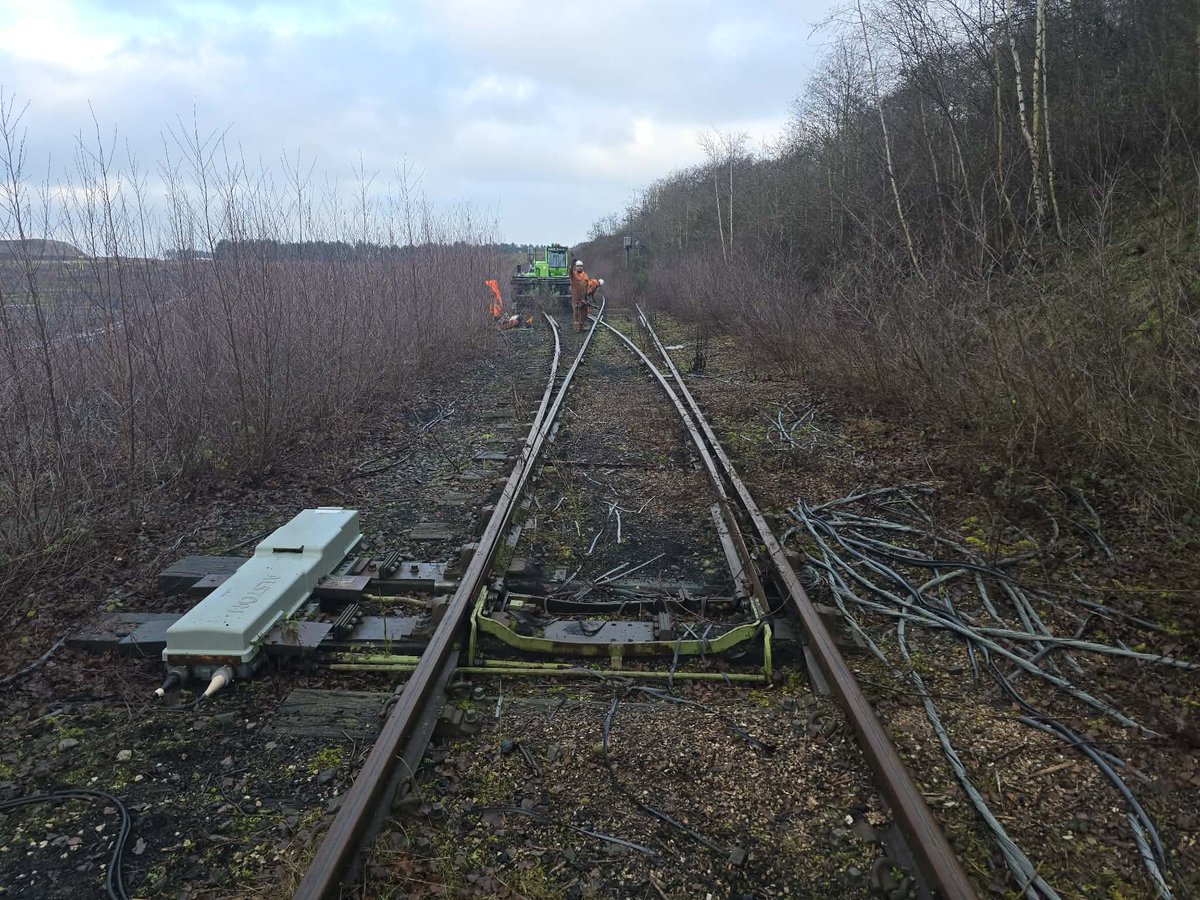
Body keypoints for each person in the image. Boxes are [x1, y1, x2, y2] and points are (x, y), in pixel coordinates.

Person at [569, 260, 592, 332]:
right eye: (578, 266)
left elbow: (587, 284)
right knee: (576, 313)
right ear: (576, 267)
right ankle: (576, 328)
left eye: (581, 266)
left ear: (582, 267)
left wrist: (588, 292)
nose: (579, 268)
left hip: (583, 298)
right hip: (576, 298)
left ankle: (581, 327)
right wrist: (571, 266)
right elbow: (570, 272)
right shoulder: (573, 274)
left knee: (584, 312)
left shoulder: (585, 275)